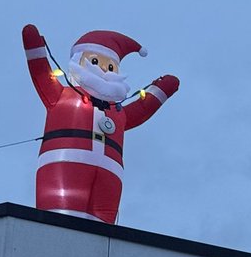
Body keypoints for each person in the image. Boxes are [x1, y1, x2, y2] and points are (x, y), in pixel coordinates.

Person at [22, 25, 179, 224]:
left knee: (103, 231)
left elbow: (141, 110)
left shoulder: (118, 112)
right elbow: (40, 73)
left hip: (110, 172)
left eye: (111, 67)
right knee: (59, 221)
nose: (105, 70)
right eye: (95, 61)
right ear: (79, 60)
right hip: (65, 163)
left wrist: (161, 90)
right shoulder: (62, 95)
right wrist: (34, 46)